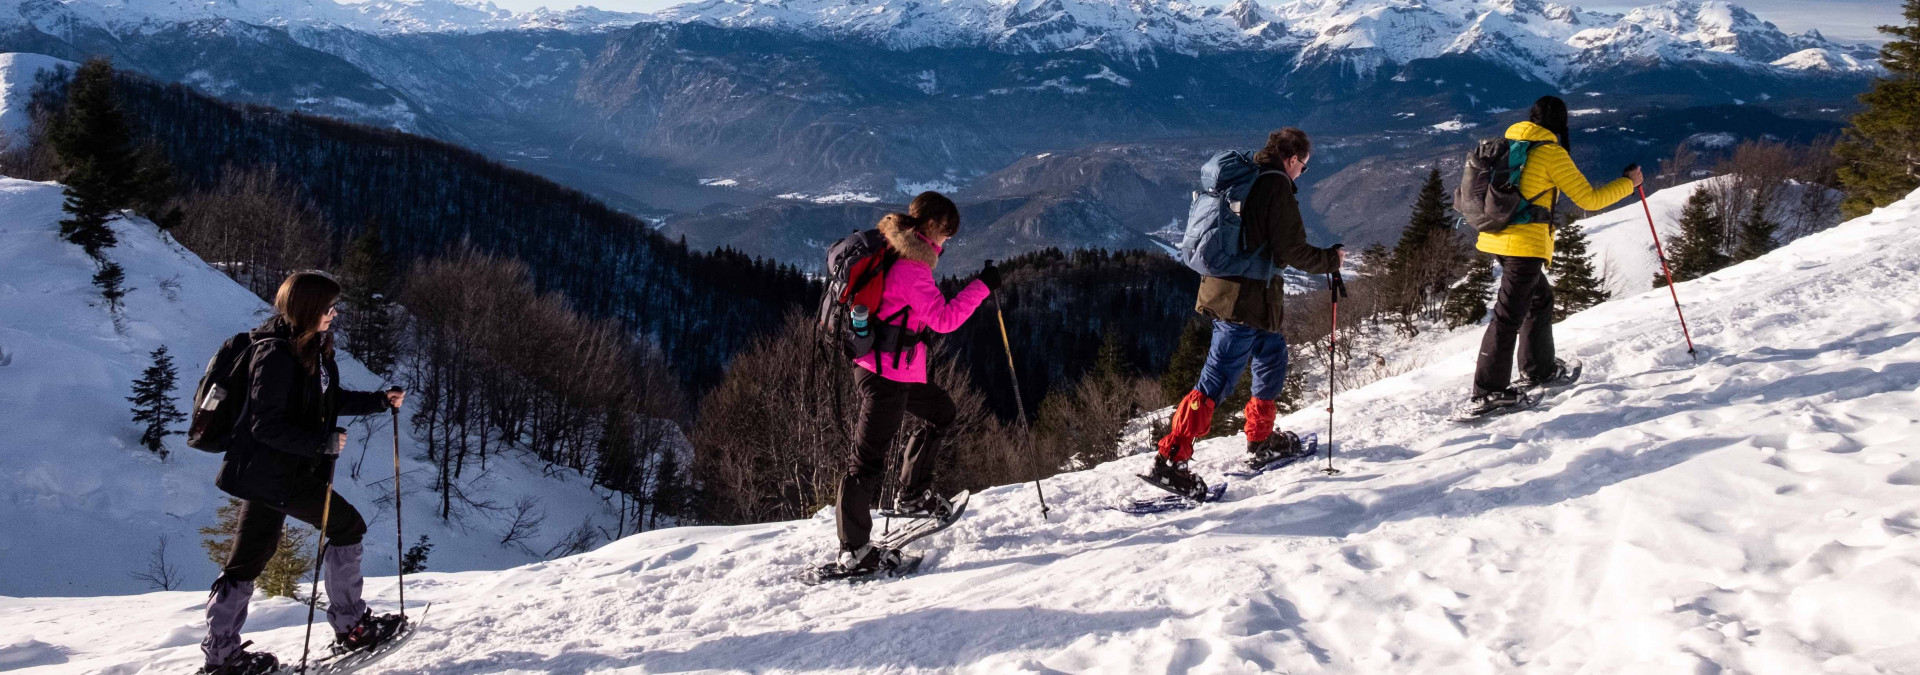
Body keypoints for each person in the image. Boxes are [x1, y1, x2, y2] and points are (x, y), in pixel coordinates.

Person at [201, 271, 408, 675]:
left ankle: (221, 657)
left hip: (272, 473)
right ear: (308, 308)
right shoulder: (275, 355)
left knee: (246, 561)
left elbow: (327, 400)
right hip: (273, 473)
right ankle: (352, 627)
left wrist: (379, 401)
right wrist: (321, 443)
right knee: (347, 526)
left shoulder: (309, 346)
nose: (334, 314)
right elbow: (265, 425)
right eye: (328, 307)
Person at [1153, 128, 1344, 495]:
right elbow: (1294, 250)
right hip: (1241, 302)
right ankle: (1170, 458)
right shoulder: (1275, 186)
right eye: (1303, 167)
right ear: (1292, 159)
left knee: (1272, 355)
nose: (1302, 174)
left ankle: (1261, 439)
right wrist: (1331, 261)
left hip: (1246, 296)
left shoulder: (1252, 174)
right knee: (1216, 381)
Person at [835, 191, 996, 574]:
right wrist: (984, 286)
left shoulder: (899, 248)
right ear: (928, 226)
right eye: (946, 231)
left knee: (942, 411)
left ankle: (913, 494)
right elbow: (943, 318)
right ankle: (853, 550)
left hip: (896, 368)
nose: (948, 239)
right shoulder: (911, 267)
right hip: (883, 374)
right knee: (865, 462)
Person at [1466, 95, 1642, 415]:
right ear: (1560, 123)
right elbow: (1589, 199)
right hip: (1524, 246)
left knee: (1538, 299)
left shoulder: (1507, 143)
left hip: (1495, 238)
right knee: (1507, 317)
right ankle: (1488, 393)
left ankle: (1540, 369)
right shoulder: (1550, 152)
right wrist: (1628, 183)